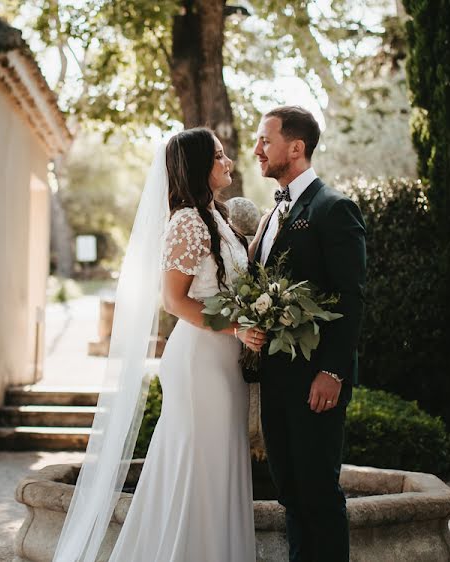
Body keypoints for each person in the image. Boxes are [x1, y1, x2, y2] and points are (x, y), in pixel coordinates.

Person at [52, 127, 265, 562]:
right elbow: (174, 300)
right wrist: (237, 329)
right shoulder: (186, 220)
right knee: (197, 464)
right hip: (199, 360)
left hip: (225, 359)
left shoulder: (218, 217)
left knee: (220, 463)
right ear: (198, 165)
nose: (228, 163)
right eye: (219, 156)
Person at [248, 106, 367, 562]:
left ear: (295, 148)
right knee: (291, 493)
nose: (258, 149)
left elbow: (350, 297)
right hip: (276, 378)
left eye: (266, 140)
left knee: (318, 491)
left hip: (317, 380)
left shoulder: (334, 208)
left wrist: (333, 371)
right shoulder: (272, 212)